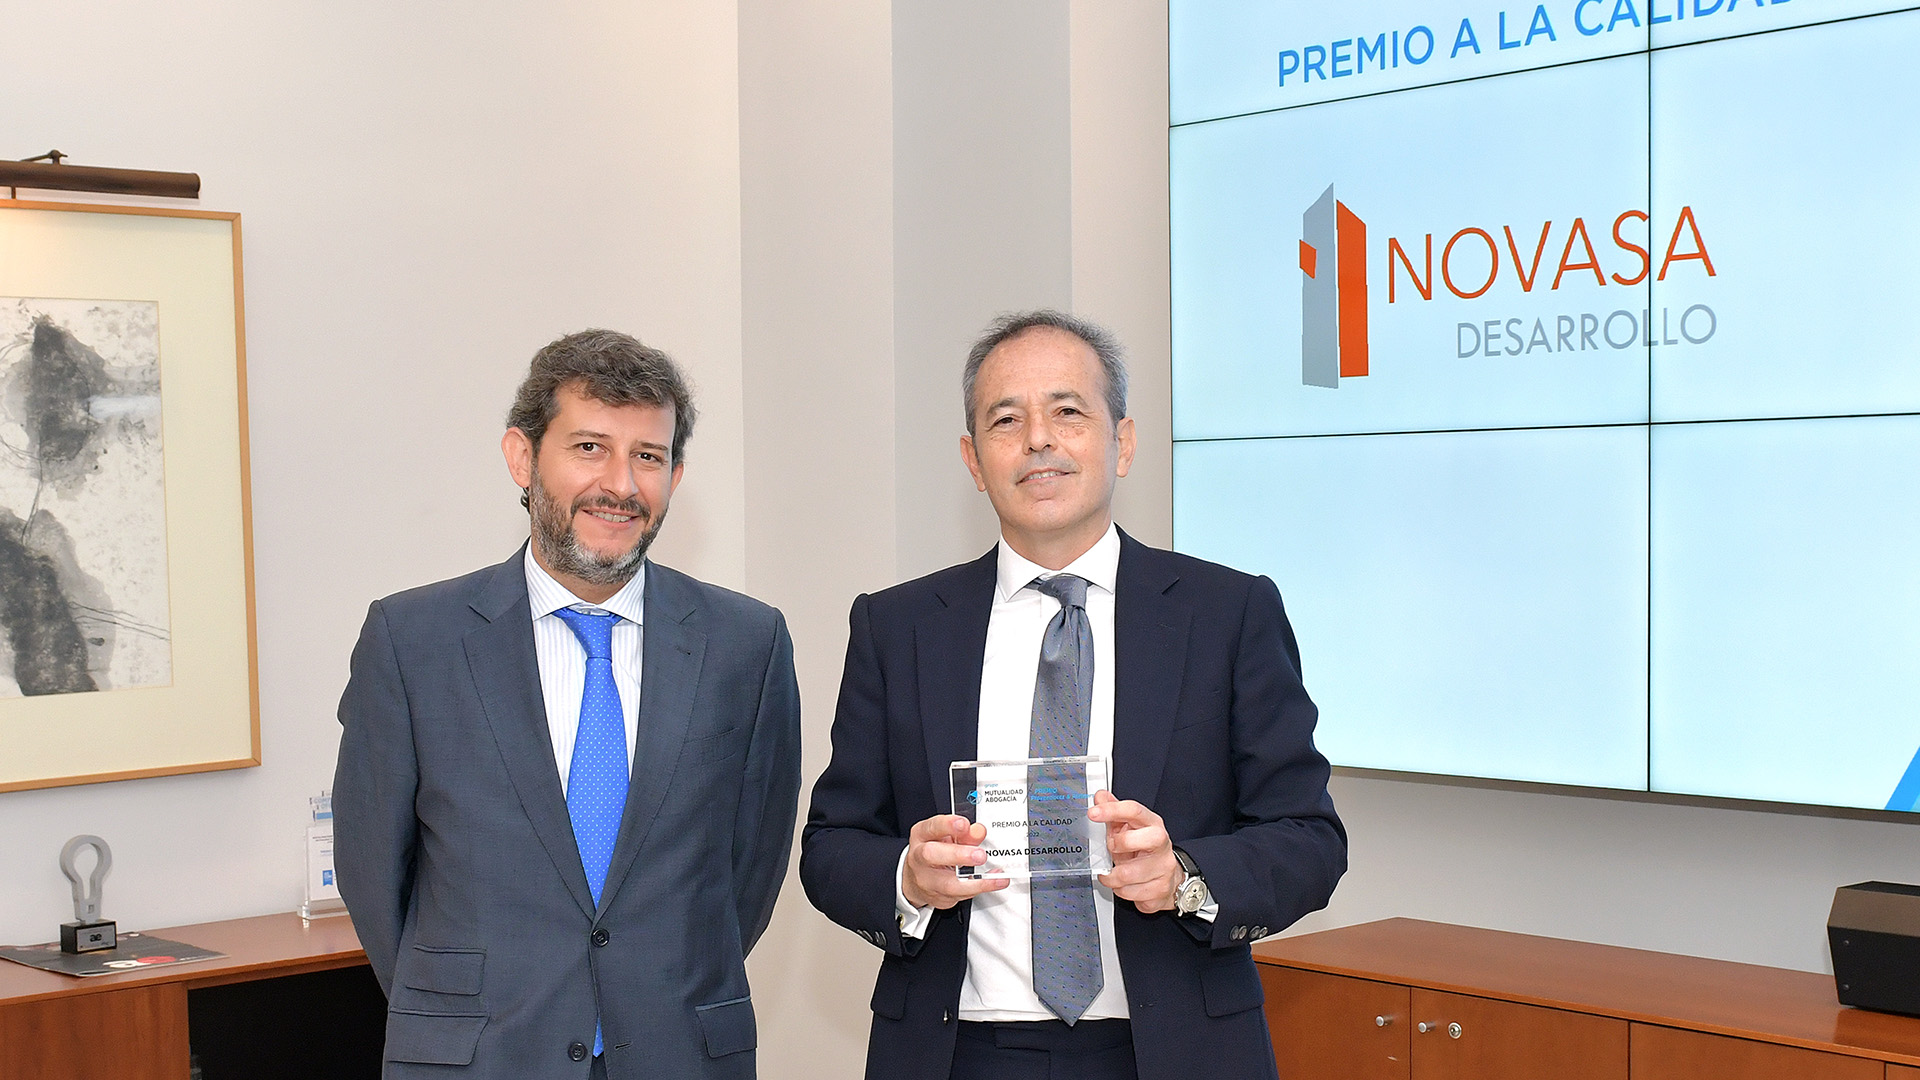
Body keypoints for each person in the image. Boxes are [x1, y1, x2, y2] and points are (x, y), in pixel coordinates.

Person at [800, 310, 1346, 1080]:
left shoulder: (1227, 614)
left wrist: (1185, 875)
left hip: (1173, 1050)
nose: (1038, 440)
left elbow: (1310, 838)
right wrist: (907, 878)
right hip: (961, 1053)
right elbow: (830, 846)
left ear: (1122, 442)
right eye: (1006, 420)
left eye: (1067, 412)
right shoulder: (899, 627)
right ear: (973, 459)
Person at [334, 329, 801, 1080]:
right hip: (479, 1058)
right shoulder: (412, 641)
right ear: (522, 458)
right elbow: (372, 873)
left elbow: (751, 869)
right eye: (589, 448)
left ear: (676, 475)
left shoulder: (747, 644)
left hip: (677, 1054)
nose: (621, 484)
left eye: (648, 456)